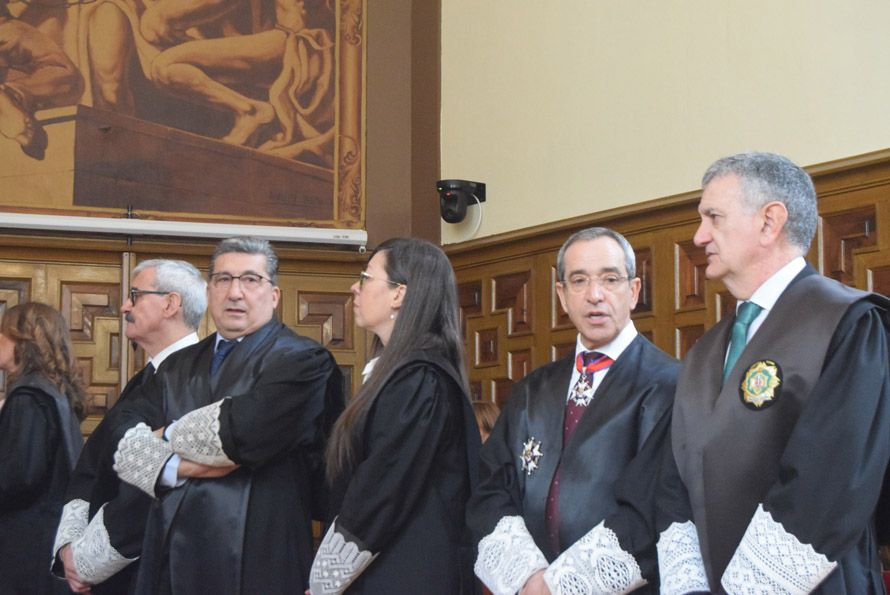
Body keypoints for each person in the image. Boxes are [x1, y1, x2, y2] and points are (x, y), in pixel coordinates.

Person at [655, 152, 890, 593]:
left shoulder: (847, 324)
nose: (699, 235)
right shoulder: (706, 350)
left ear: (769, 222)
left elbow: (830, 481)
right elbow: (674, 482)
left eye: (713, 217)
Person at [113, 236, 344, 594]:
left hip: (259, 554)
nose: (235, 292)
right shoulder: (175, 366)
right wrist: (180, 466)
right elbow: (124, 443)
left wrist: (159, 446)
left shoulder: (303, 361)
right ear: (209, 290)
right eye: (223, 279)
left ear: (274, 295)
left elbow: (244, 435)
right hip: (172, 552)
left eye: (250, 280)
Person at [468, 227, 680, 594]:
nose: (594, 295)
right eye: (579, 281)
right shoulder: (533, 390)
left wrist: (562, 586)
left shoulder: (669, 385)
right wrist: (528, 578)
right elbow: (491, 490)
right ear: (562, 296)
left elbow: (653, 508)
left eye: (610, 279)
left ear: (634, 291)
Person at [308, 237, 481, 594]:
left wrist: (327, 577)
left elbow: (382, 489)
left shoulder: (420, 378)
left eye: (366, 277)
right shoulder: (400, 372)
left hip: (404, 573)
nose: (354, 287)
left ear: (399, 294)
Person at [51, 259, 207, 593]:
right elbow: (95, 466)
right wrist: (69, 546)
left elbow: (156, 483)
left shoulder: (200, 379)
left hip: (158, 571)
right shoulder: (146, 377)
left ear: (170, 303)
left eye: (135, 295)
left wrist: (87, 560)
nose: (124, 306)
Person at [0, 302, 86, 594]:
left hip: (27, 544)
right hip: (47, 535)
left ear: (26, 343)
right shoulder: (53, 390)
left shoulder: (29, 396)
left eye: (5, 334)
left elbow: (19, 476)